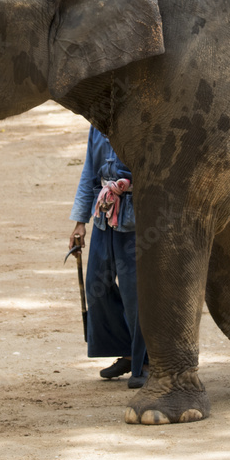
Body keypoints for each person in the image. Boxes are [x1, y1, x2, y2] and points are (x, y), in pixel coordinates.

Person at [68, 126, 148, 389]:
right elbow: (90, 172)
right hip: (104, 214)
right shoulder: (95, 124)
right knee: (96, 286)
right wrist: (81, 221)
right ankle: (127, 350)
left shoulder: (141, 118)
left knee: (133, 293)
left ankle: (146, 361)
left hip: (136, 219)